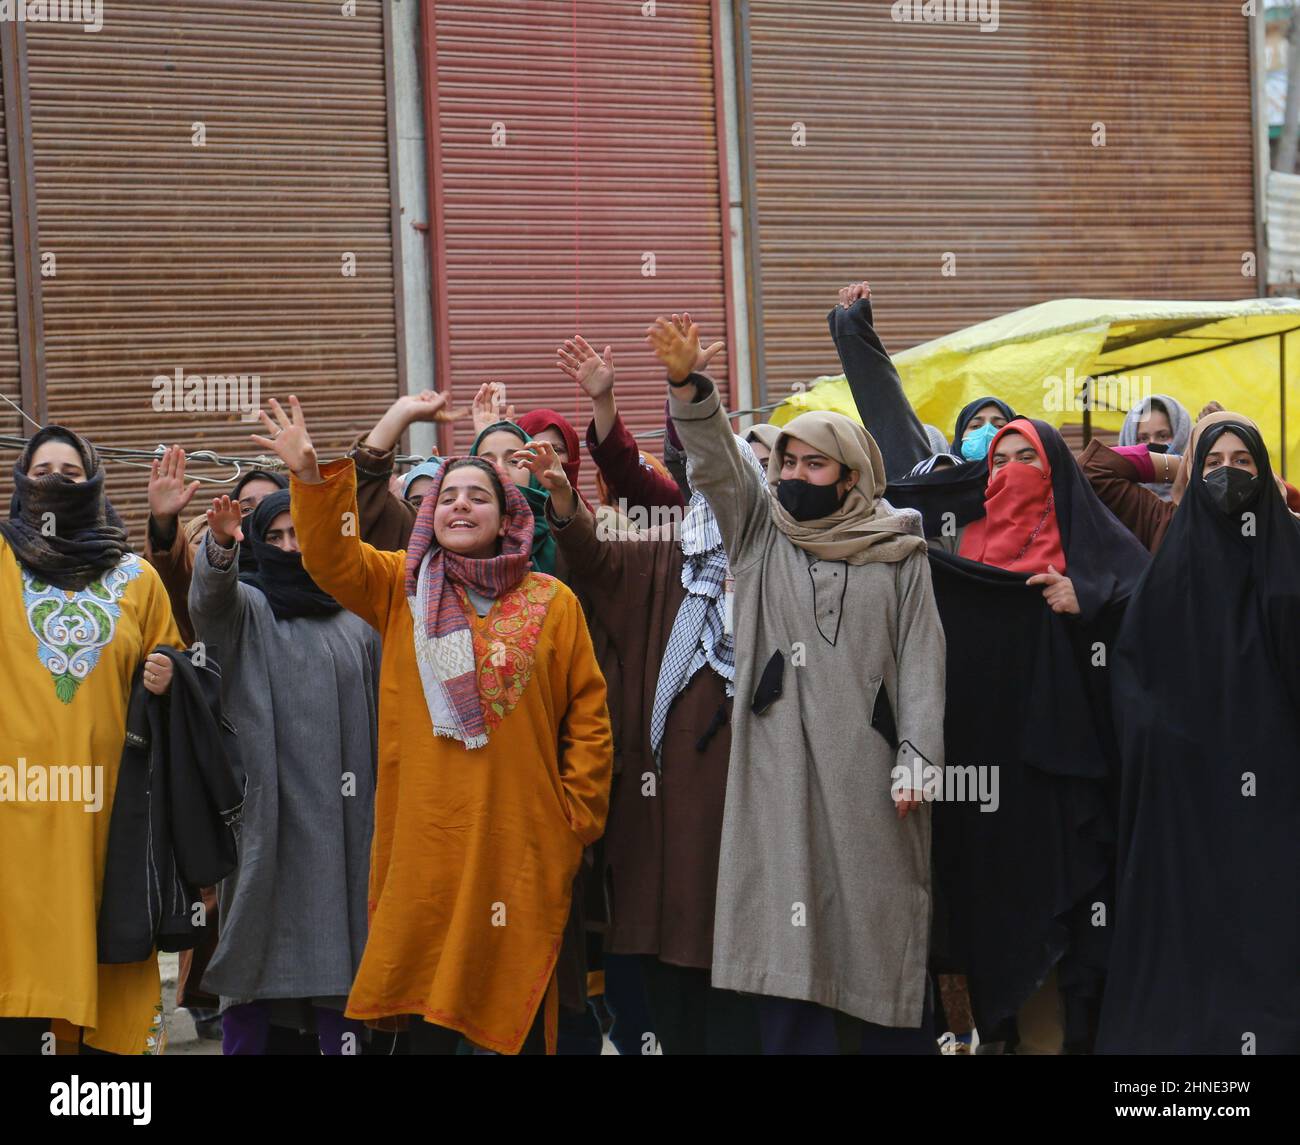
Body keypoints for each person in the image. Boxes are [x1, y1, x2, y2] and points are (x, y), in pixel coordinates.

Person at [256, 396, 612, 1055]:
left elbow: (588, 718)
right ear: (428, 513)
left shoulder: (550, 600)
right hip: (426, 841)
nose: (458, 506)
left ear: (509, 515)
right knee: (428, 1010)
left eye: (478, 496)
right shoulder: (401, 588)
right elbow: (330, 559)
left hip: (519, 843)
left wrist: (575, 818)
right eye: (447, 496)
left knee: (516, 1017)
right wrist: (308, 477)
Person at [650, 316, 945, 1055]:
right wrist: (689, 388)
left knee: (874, 930)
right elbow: (717, 463)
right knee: (785, 934)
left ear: (850, 473)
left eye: (815, 466)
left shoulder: (900, 550)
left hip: (870, 773)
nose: (794, 478)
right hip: (776, 768)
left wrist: (916, 755)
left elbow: (922, 664)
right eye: (787, 463)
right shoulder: (758, 532)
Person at [522, 428, 764, 1055]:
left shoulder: (783, 562)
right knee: (671, 973)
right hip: (666, 808)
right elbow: (597, 559)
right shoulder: (662, 556)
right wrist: (566, 502)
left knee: (752, 970)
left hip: (761, 803)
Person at [927, 417, 1151, 1054]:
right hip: (980, 783)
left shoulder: (1102, 553)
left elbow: (1154, 626)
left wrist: (1092, 604)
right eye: (1001, 461)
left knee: (1069, 931)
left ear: (1057, 469)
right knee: (993, 929)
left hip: (1071, 781)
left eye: (1031, 457)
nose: (1013, 471)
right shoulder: (961, 549)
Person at [1097, 412, 1300, 1054]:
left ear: (1267, 475)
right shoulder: (1170, 564)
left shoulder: (1290, 554)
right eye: (1213, 464)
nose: (1229, 475)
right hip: (1188, 788)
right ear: (1193, 471)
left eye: (1244, 464)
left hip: (1278, 781)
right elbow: (1136, 672)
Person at [0, 426, 182, 1055]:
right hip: (16, 819)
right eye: (42, 469)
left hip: (115, 817)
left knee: (112, 972)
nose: (55, 479)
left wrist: (168, 677)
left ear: (95, 481)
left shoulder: (137, 579)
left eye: (70, 471)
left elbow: (184, 676)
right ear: (22, 483)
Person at [187, 487, 380, 1055]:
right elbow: (208, 603)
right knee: (254, 967)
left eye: (301, 534)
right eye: (275, 537)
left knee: (341, 964)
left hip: (346, 823)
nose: (290, 547)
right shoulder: (249, 605)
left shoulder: (357, 615)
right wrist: (222, 545)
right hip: (268, 817)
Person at [1115, 394, 1192, 501]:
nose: (1152, 443)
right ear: (1129, 440)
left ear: (1181, 437)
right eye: (1143, 438)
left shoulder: (1200, 492)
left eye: (1162, 436)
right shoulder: (1116, 495)